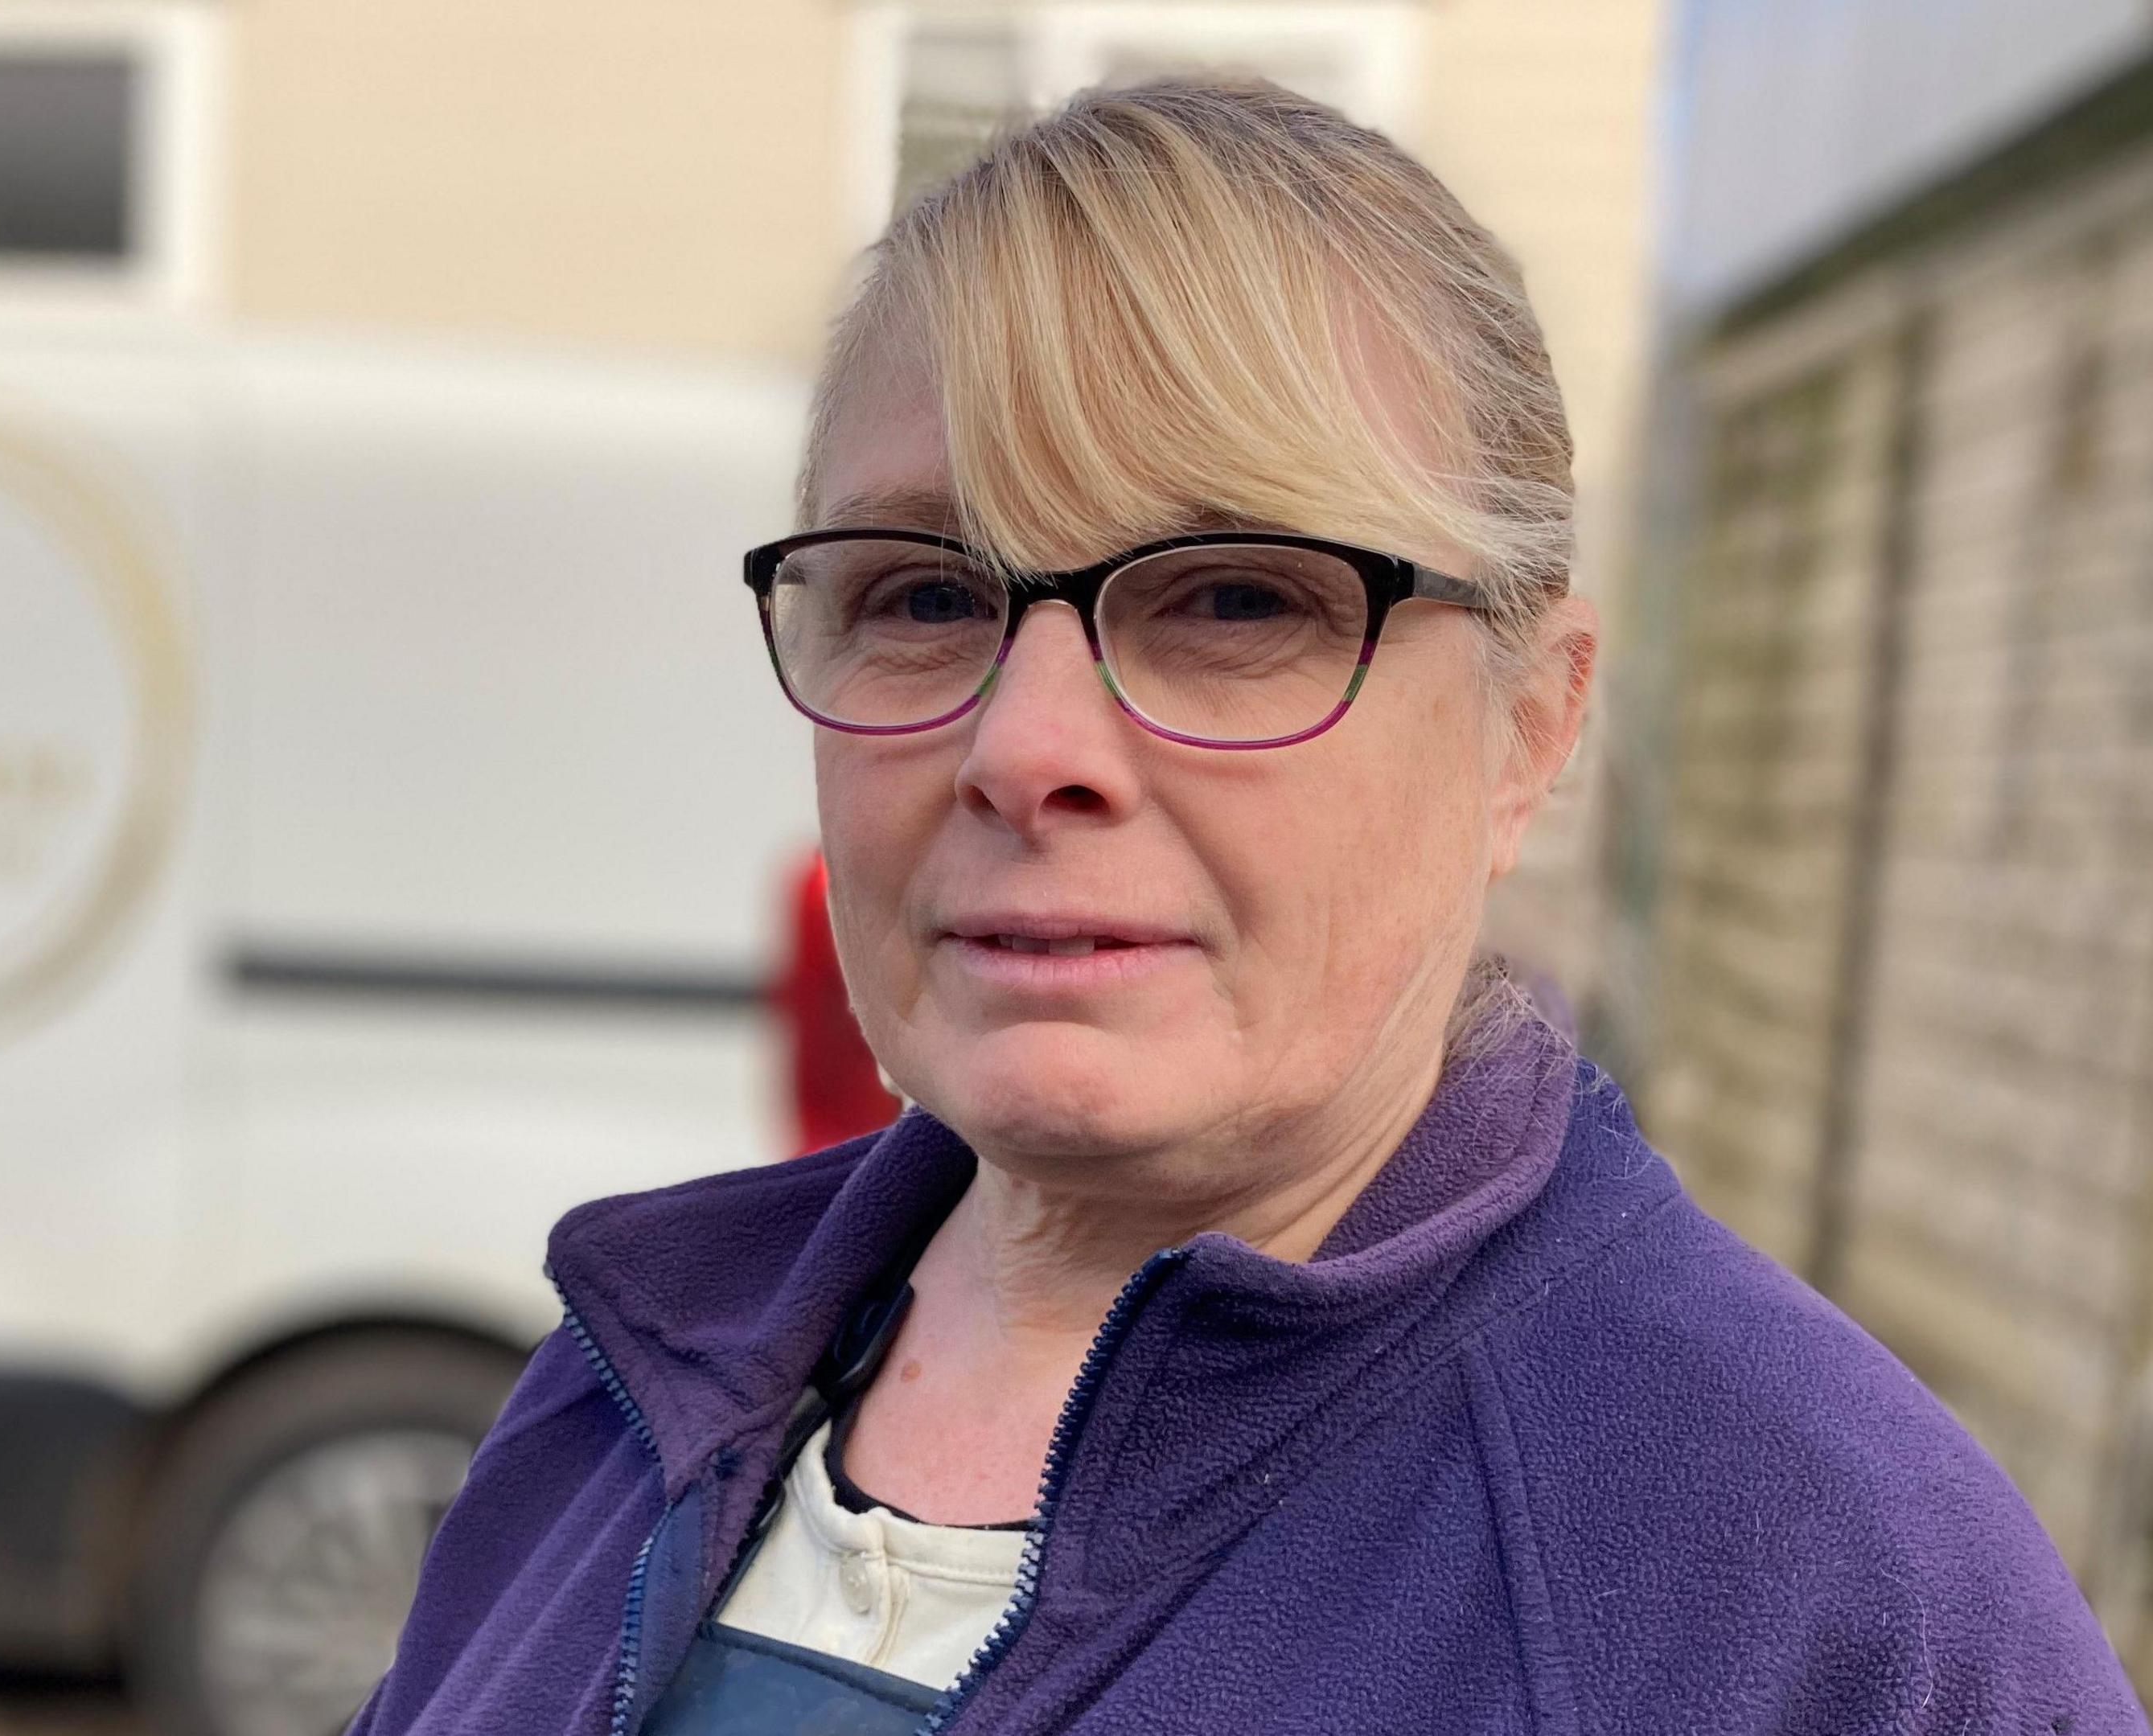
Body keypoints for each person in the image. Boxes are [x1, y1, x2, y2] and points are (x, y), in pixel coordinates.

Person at [351, 78, 2143, 1734]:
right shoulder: (620, 1390)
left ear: (1534, 723)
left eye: (1233, 602)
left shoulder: (1821, 1605)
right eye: (918, 593)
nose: (1025, 746)